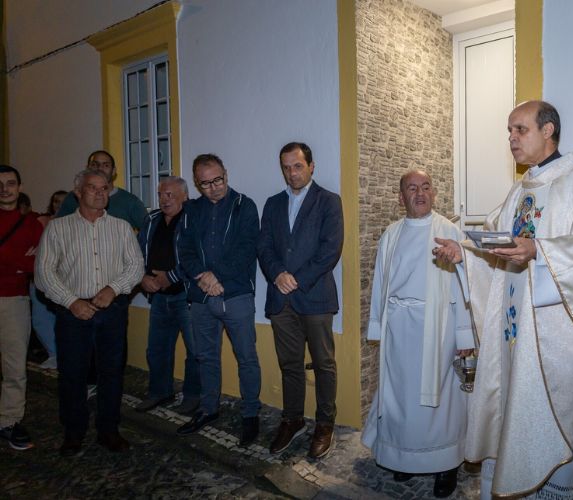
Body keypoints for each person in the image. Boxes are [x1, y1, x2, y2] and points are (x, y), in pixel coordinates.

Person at [434, 101, 573, 498]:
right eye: (509, 131)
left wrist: (540, 251)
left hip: (557, 336)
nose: (511, 139)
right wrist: (465, 253)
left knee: (556, 414)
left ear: (548, 131)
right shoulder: (521, 189)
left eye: (520, 129)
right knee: (515, 409)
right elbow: (496, 245)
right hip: (514, 336)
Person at [361, 169, 473, 498]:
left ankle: (446, 465)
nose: (420, 193)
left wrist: (465, 335)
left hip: (438, 328)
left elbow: (464, 286)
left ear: (433, 193)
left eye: (426, 187)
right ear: (401, 197)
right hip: (399, 330)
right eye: (412, 188)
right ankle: (404, 458)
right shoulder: (391, 234)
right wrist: (378, 326)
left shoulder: (449, 231)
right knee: (400, 399)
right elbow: (381, 284)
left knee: (439, 402)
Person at [35, 169, 143, 457]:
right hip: (72, 313)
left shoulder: (121, 228)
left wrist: (113, 289)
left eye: (104, 188)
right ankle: (74, 432)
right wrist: (71, 301)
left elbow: (135, 267)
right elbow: (44, 273)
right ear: (78, 192)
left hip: (112, 311)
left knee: (112, 373)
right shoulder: (58, 228)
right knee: (72, 374)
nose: (99, 193)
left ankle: (109, 430)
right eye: (92, 188)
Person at [258, 142, 343, 459]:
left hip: (315, 296)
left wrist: (297, 279)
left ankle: (325, 423)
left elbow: (330, 250)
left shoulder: (329, 201)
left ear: (311, 166)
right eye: (286, 167)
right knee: (289, 364)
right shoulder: (272, 204)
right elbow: (264, 246)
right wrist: (277, 273)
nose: (292, 172)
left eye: (297, 166)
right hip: (281, 299)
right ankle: (292, 419)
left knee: (324, 364)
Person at [176, 154, 262, 448]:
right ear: (196, 183)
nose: (214, 188)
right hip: (201, 295)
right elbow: (184, 249)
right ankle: (208, 408)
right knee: (205, 357)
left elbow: (247, 249)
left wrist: (216, 275)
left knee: (246, 357)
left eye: (218, 180)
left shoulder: (244, 206)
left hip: (236, 294)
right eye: (205, 184)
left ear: (226, 173)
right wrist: (202, 276)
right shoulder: (191, 210)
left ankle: (250, 414)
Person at [135, 177, 200, 414]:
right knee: (157, 349)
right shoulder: (151, 219)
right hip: (159, 297)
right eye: (161, 194)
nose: (164, 199)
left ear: (185, 196)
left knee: (195, 351)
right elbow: (136, 253)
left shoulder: (193, 219)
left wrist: (171, 276)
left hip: (186, 296)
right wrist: (142, 277)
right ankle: (159, 392)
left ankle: (193, 396)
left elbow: (199, 256)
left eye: (170, 194)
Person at [0, 165, 43, 451]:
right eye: (0, 184)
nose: (5, 189)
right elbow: (23, 260)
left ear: (20, 186)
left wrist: (15, 262)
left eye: (10, 183)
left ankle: (9, 421)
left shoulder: (31, 224)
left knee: (15, 367)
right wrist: (18, 260)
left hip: (14, 302)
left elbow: (37, 264)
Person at [57, 150, 146, 230]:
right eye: (94, 165)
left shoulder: (130, 202)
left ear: (113, 171)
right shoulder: (73, 197)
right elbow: (59, 228)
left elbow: (149, 232)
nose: (99, 168)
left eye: (106, 165)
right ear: (87, 168)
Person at [32, 189, 67, 369]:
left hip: (64, 279)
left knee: (63, 319)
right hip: (41, 276)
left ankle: (66, 355)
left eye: (63, 201)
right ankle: (53, 353)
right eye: (55, 201)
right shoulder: (42, 221)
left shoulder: (74, 222)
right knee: (40, 318)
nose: (59, 205)